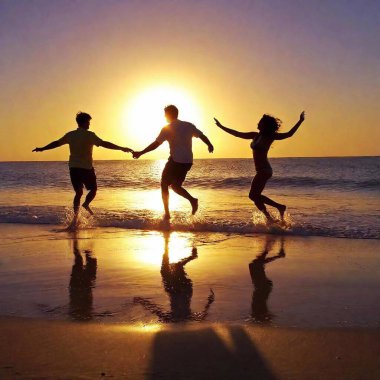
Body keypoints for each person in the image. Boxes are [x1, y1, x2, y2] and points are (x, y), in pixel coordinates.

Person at [32, 112, 131, 218]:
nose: (89, 124)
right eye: (88, 122)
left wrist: (42, 148)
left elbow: (56, 143)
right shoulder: (90, 135)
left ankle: (75, 218)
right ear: (84, 122)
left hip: (74, 168)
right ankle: (86, 204)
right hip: (86, 168)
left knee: (78, 192)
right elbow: (104, 144)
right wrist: (121, 148)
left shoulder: (70, 135)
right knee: (93, 189)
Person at [214, 111, 305, 222]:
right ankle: (270, 217)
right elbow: (237, 133)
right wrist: (221, 126)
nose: (258, 123)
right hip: (260, 171)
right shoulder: (255, 135)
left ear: (265, 125)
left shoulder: (270, 136)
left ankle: (278, 208)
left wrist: (300, 121)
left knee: (253, 195)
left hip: (265, 170)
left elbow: (289, 134)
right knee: (254, 196)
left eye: (260, 122)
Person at [133, 105, 214, 219]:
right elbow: (202, 135)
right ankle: (192, 200)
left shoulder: (167, 128)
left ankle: (167, 214)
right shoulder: (188, 125)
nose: (164, 116)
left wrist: (141, 152)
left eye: (165, 114)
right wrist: (209, 145)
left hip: (175, 160)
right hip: (187, 161)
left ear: (169, 115)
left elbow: (156, 144)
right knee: (175, 186)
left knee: (164, 183)